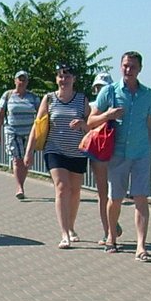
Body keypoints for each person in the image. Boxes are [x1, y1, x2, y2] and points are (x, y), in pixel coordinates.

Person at [88, 51, 151, 261]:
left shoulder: (148, 94)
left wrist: (150, 148)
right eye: (125, 66)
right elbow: (91, 120)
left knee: (141, 198)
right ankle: (111, 238)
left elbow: (148, 123)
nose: (128, 70)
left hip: (141, 153)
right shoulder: (110, 91)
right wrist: (107, 115)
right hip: (117, 153)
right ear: (120, 67)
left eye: (133, 67)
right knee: (115, 198)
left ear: (140, 69)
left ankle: (141, 246)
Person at [23, 63, 90, 248]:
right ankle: (64, 234)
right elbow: (38, 126)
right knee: (62, 187)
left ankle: (71, 227)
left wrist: (83, 124)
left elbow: (92, 126)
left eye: (67, 77)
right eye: (60, 76)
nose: (64, 80)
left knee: (75, 191)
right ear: (56, 79)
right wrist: (29, 152)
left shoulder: (82, 99)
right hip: (55, 150)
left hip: (77, 151)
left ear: (74, 79)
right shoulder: (49, 99)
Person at [0, 70, 39, 200]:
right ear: (15, 81)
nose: (22, 82)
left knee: (26, 161)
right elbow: (1, 114)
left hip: (29, 133)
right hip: (12, 132)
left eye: (24, 79)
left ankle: (21, 184)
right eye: (19, 79)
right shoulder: (7, 95)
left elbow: (41, 113)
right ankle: (19, 187)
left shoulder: (33, 97)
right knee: (16, 159)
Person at [88, 71, 118, 244]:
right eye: (98, 87)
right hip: (99, 151)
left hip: (115, 151)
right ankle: (107, 230)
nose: (100, 90)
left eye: (103, 87)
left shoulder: (116, 103)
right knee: (102, 194)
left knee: (114, 194)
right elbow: (88, 126)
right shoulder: (93, 106)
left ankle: (112, 222)